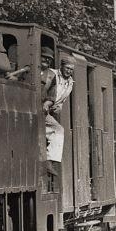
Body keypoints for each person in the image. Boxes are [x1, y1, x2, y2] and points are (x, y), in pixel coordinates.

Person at [40, 58, 75, 190]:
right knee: (58, 130)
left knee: (57, 130)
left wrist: (58, 107)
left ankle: (50, 161)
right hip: (42, 106)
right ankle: (48, 161)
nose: (69, 71)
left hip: (49, 110)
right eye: (67, 68)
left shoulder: (70, 83)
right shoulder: (51, 74)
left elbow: (61, 101)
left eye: (71, 69)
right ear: (62, 66)